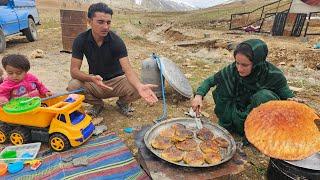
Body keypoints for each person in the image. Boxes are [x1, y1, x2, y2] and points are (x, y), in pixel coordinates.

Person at [67, 2, 158, 117]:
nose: (105, 27)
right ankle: (98, 104)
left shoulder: (116, 41)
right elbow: (74, 71)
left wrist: (139, 86)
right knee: (73, 86)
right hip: (96, 82)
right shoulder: (81, 40)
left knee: (137, 86)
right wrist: (91, 78)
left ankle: (122, 103)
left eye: (108, 22)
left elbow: (128, 70)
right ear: (89, 22)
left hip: (117, 82)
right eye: (100, 22)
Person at [192, 39, 294, 136]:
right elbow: (210, 81)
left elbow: (289, 98)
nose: (239, 69)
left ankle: (256, 132)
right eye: (237, 63)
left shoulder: (273, 75)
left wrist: (294, 102)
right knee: (222, 87)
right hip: (235, 112)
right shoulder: (233, 69)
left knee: (264, 96)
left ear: (257, 63)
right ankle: (228, 124)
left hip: (254, 115)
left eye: (245, 65)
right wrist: (198, 96)